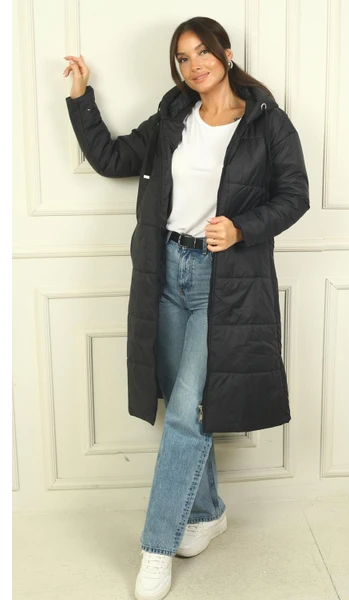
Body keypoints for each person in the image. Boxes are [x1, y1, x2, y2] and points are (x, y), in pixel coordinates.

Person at [64, 15, 309, 600]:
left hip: (223, 283)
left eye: (203, 52)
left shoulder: (266, 122)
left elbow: (296, 195)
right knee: (188, 407)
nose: (194, 64)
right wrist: (81, 99)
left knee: (184, 415)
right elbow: (113, 159)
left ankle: (156, 547)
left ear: (226, 53)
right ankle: (209, 512)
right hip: (166, 271)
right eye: (182, 57)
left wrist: (242, 228)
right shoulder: (174, 117)